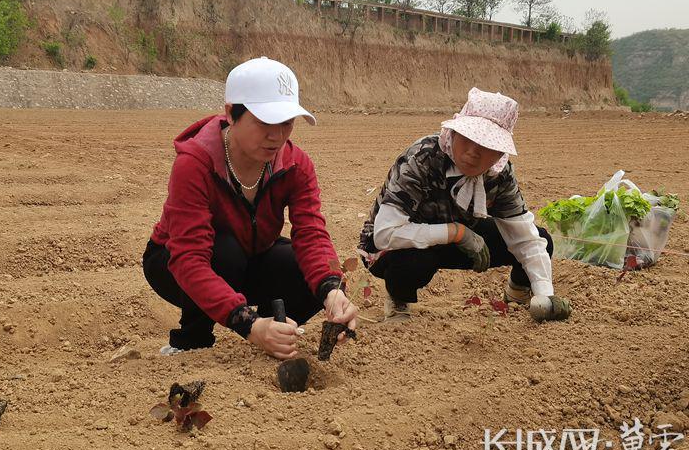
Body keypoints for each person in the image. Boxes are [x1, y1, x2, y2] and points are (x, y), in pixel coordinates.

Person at [143, 57, 357, 359]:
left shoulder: (297, 165)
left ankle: (279, 329)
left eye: (286, 123)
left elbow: (311, 235)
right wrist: (249, 325)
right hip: (175, 263)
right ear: (232, 113)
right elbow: (189, 258)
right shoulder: (194, 164)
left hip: (252, 256)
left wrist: (333, 291)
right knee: (224, 252)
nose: (277, 135)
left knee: (304, 267)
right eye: (264, 122)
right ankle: (191, 339)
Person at [358, 87, 571, 322]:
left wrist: (545, 297)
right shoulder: (422, 159)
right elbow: (385, 234)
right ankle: (398, 298)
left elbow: (525, 238)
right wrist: (457, 233)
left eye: (486, 145)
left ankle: (518, 291)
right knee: (414, 262)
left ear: (500, 152)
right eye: (468, 139)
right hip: (396, 244)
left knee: (541, 240)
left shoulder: (499, 174)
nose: (473, 152)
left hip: (459, 233)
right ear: (453, 133)